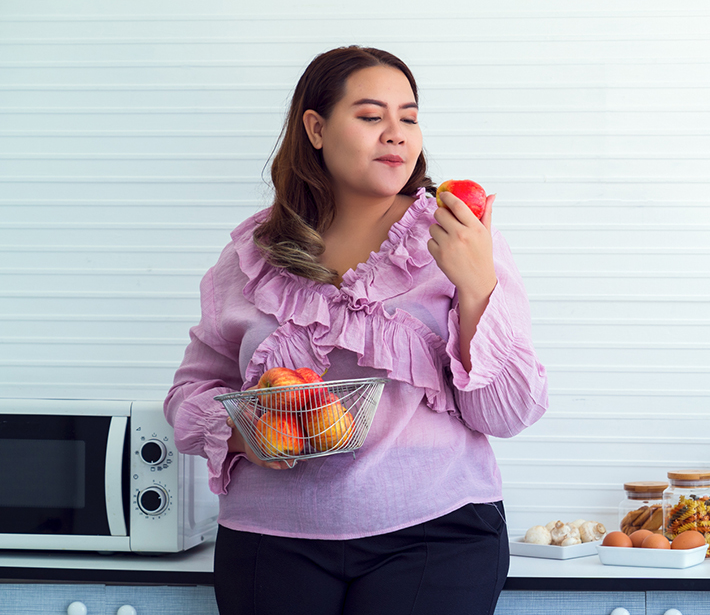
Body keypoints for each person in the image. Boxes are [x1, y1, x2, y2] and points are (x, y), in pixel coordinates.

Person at [164, 46, 548, 615]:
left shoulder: (459, 238)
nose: (396, 133)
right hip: (271, 540)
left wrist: (476, 287)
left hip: (436, 533)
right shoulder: (250, 257)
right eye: (371, 116)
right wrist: (251, 432)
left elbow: (507, 414)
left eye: (409, 117)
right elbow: (187, 395)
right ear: (315, 128)